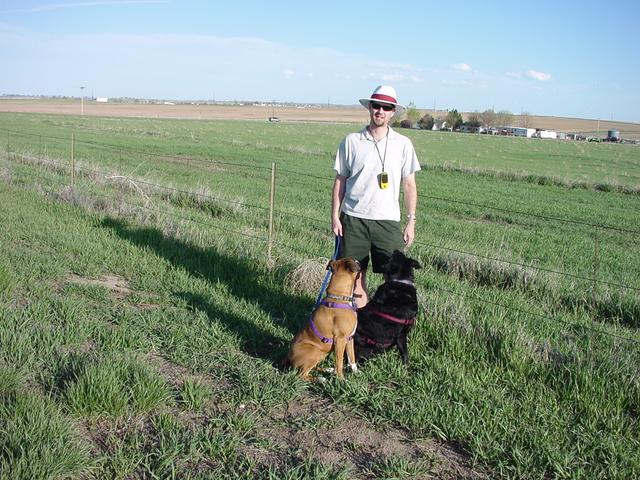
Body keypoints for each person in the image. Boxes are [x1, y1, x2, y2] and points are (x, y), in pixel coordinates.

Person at [331, 85, 421, 308]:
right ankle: (360, 326)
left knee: (395, 277)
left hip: (387, 221)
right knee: (355, 277)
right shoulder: (352, 141)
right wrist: (335, 216)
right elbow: (340, 180)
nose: (380, 111)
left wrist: (411, 221)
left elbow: (409, 185)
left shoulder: (403, 144)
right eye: (376, 105)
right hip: (353, 219)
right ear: (369, 108)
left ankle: (385, 326)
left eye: (386, 107)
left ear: (393, 112)